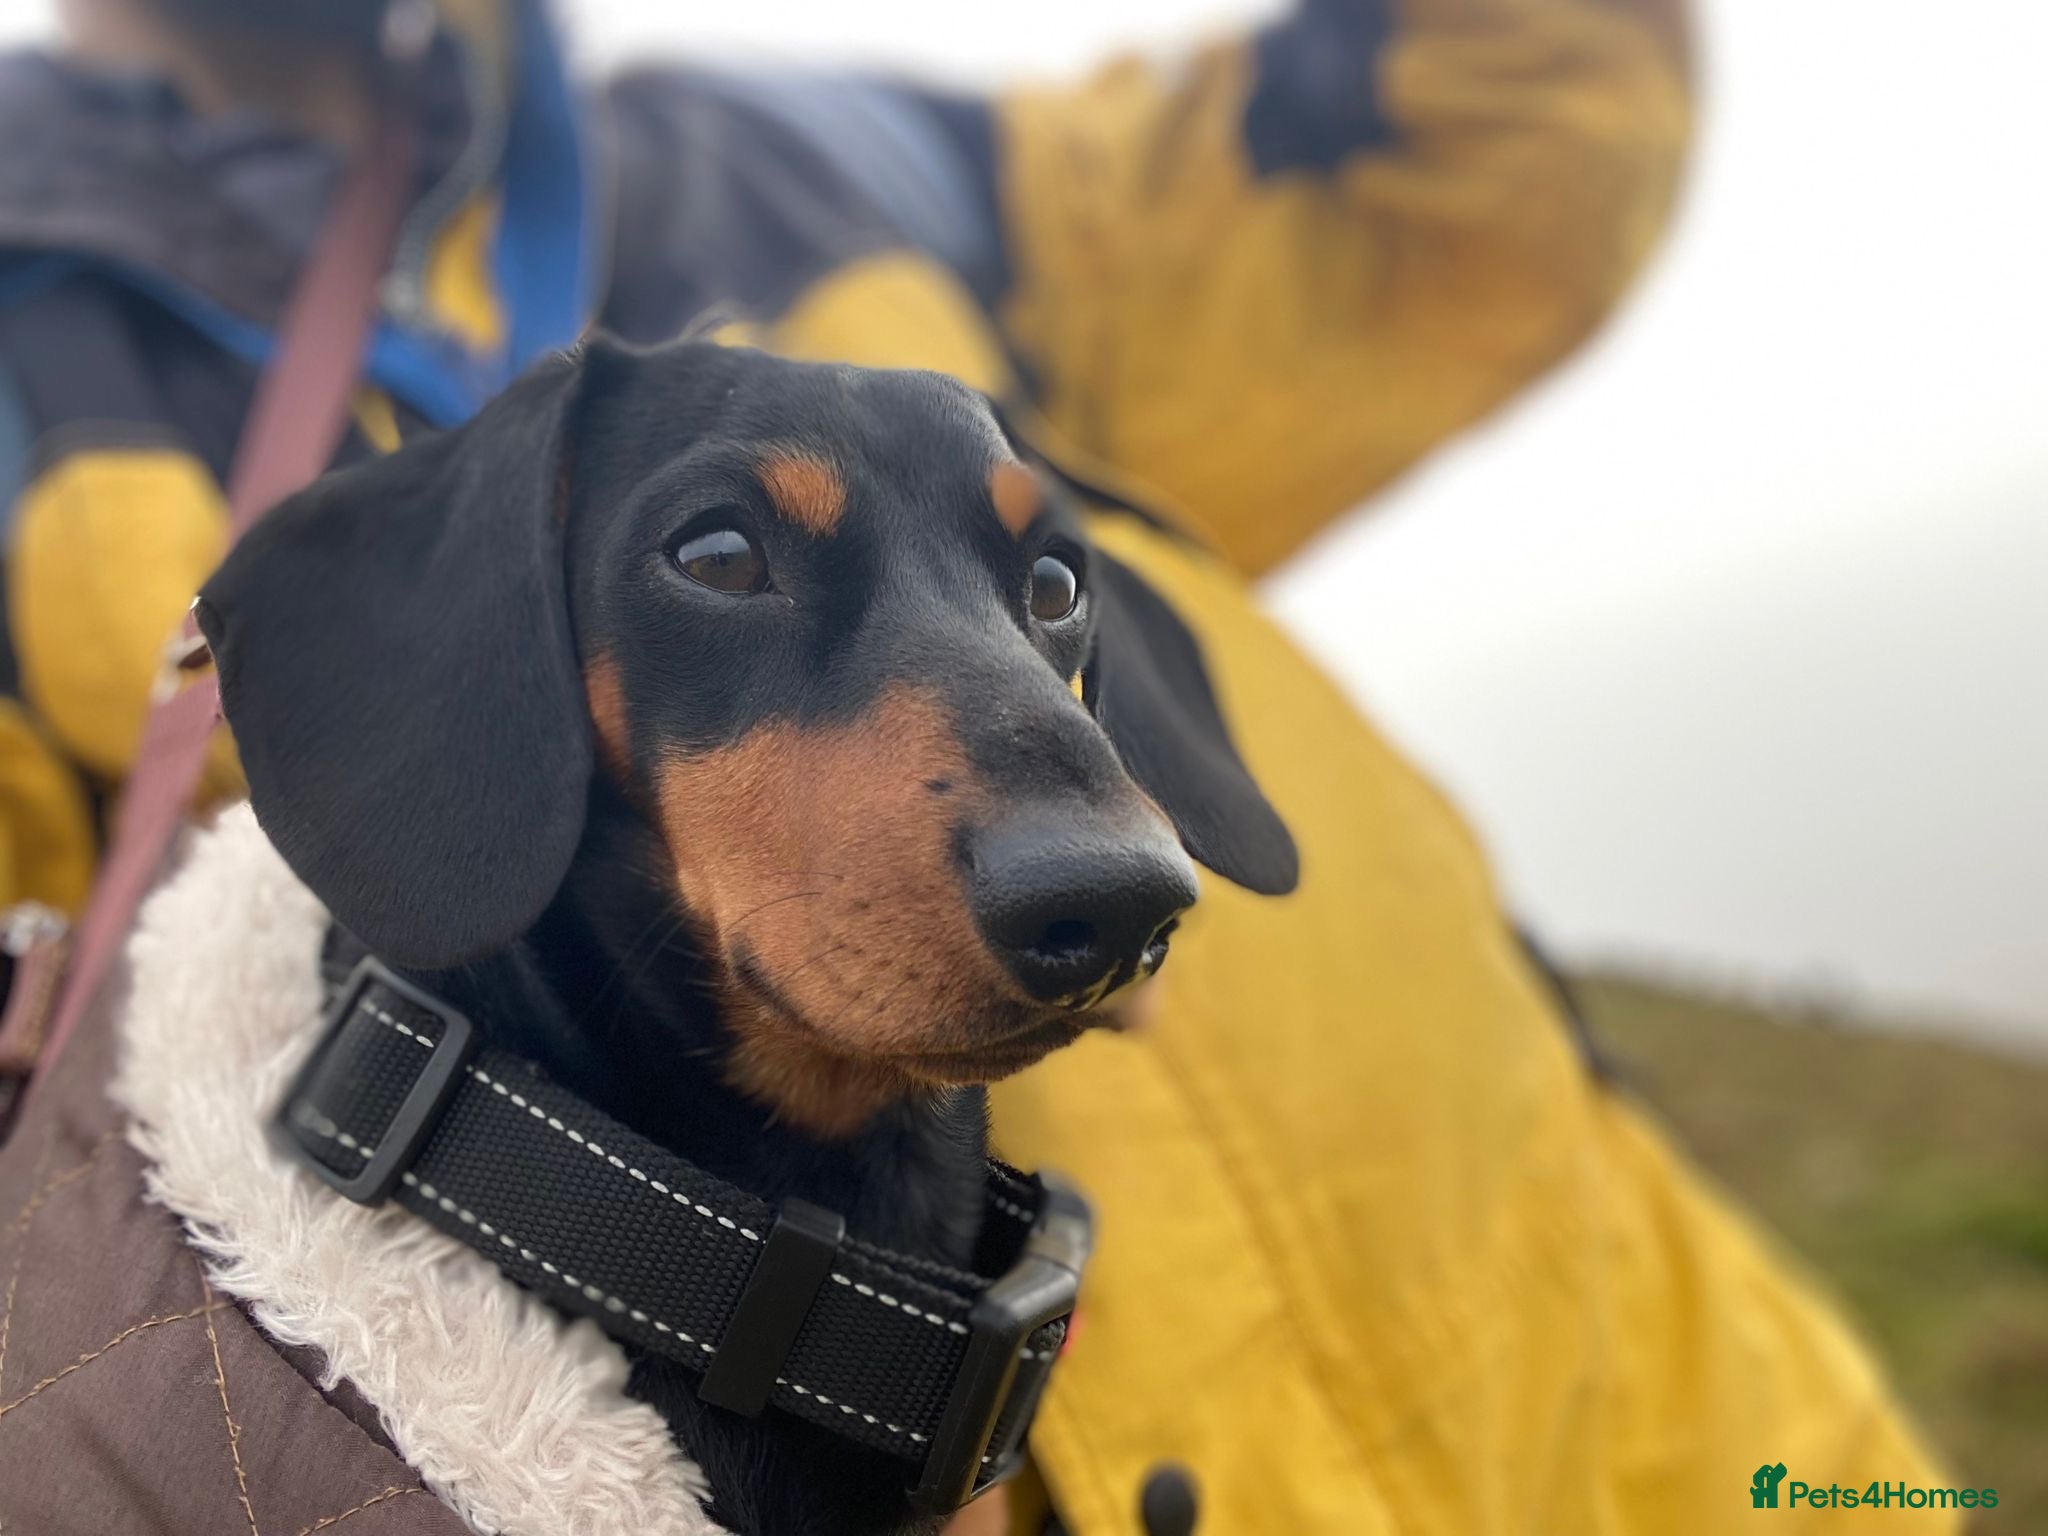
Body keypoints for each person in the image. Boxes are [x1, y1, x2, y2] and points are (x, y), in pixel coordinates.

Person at [0, 1, 1954, 1532]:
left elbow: (1505, 160)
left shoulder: (829, 167)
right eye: (724, 554)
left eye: (1043, 583)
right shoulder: (29, 342)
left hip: (1657, 1413)